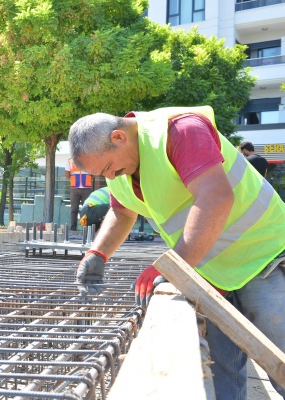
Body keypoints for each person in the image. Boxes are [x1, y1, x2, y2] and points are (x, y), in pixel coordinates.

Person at [68, 105, 285, 400]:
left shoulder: (181, 130)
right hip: (210, 272)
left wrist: (172, 267)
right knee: (222, 370)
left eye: (107, 168)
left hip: (262, 256)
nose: (111, 175)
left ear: (119, 137)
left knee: (280, 362)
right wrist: (98, 253)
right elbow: (122, 211)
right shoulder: (119, 162)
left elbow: (215, 196)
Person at [65, 155, 93, 231]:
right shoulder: (70, 160)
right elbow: (67, 173)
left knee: (87, 209)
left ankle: (87, 228)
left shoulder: (89, 158)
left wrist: (88, 179)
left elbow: (93, 173)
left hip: (86, 188)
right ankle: (73, 228)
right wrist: (73, 180)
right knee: (74, 209)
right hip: (75, 188)